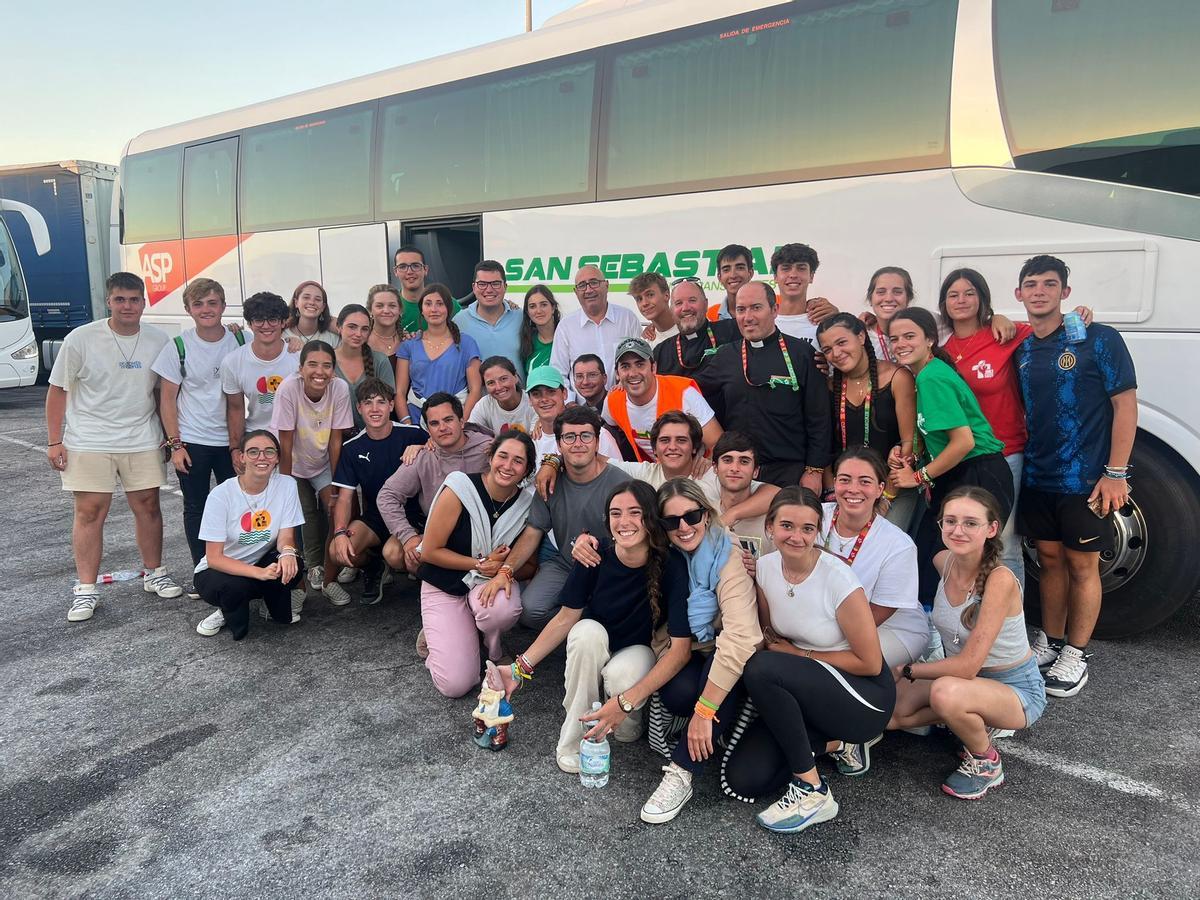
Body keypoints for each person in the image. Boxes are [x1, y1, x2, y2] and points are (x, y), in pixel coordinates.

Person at [720, 488, 894, 833]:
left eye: (807, 529)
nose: (796, 537)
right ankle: (839, 745)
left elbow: (871, 664)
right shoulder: (765, 569)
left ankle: (813, 791)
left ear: (819, 531)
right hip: (806, 693)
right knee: (744, 779)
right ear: (770, 527)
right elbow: (770, 634)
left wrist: (800, 655)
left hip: (862, 697)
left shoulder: (838, 578)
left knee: (763, 668)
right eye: (787, 526)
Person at [494, 480, 692, 773]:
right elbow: (564, 618)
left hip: (639, 650)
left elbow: (681, 650)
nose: (624, 522)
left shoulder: (671, 564)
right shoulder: (593, 554)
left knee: (620, 675)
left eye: (635, 512)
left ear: (650, 517)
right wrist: (518, 669)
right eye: (615, 513)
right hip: (594, 642)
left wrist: (625, 703)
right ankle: (573, 739)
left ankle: (627, 716)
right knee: (586, 631)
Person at [1014, 255, 1136, 698]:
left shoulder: (1097, 338)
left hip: (1085, 480)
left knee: (1083, 565)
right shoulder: (1022, 347)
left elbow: (1125, 405)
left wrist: (1116, 473)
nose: (1040, 291)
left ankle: (1077, 653)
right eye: (1031, 284)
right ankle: (1050, 640)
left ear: (1066, 293)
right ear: (1019, 295)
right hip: (1038, 476)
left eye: (1050, 284)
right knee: (1049, 562)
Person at [940, 268, 1097, 607]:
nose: (962, 300)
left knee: (1004, 543)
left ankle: (1009, 632)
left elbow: (1050, 328)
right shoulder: (942, 348)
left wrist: (1078, 315)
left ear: (983, 298)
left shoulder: (1007, 335)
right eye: (954, 295)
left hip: (1005, 454)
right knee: (961, 540)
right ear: (944, 303)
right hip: (959, 458)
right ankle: (965, 619)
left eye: (970, 293)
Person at [888, 487, 1046, 799]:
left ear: (992, 529)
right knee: (893, 716)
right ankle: (970, 718)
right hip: (965, 682)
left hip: (1016, 690)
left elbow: (968, 665)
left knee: (944, 692)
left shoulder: (1000, 581)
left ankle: (986, 762)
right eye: (951, 521)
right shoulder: (942, 561)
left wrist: (907, 670)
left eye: (970, 523)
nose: (958, 530)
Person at [46, 271, 182, 622]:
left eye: (134, 299)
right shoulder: (81, 338)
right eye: (120, 299)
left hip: (142, 438)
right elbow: (57, 389)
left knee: (149, 507)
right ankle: (86, 590)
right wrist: (54, 441)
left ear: (144, 302)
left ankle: (155, 573)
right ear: (108, 301)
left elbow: (163, 394)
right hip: (90, 440)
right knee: (90, 513)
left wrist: (170, 438)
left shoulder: (159, 340)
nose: (127, 306)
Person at [641, 480, 763, 823]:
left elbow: (741, 638)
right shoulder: (667, 555)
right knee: (678, 693)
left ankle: (680, 772)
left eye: (691, 515)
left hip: (735, 653)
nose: (683, 527)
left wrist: (704, 713)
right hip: (694, 648)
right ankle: (709, 723)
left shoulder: (728, 554)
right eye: (671, 521)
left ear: (707, 515)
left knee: (711, 691)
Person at [417, 432, 536, 698]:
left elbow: (529, 568)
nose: (508, 466)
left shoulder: (527, 506)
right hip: (444, 583)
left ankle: (493, 649)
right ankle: (440, 636)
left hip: (485, 585)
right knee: (456, 685)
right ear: (490, 456)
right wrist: (479, 563)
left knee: (501, 608)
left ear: (527, 469)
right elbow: (429, 552)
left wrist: (502, 566)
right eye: (502, 456)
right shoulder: (460, 488)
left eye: (518, 461)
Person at [501, 405, 633, 630]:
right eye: (569, 437)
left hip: (609, 564)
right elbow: (533, 532)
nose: (578, 443)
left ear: (597, 443)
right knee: (531, 610)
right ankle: (582, 626)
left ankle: (594, 626)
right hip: (564, 562)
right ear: (559, 444)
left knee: (616, 613)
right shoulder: (549, 482)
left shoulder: (620, 483)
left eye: (586, 436)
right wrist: (506, 571)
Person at [696, 281, 831, 489]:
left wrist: (814, 470)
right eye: (741, 310)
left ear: (774, 309)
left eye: (756, 308)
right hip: (738, 472)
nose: (748, 317)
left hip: (789, 472)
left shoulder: (803, 353)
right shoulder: (724, 355)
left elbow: (819, 418)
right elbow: (693, 398)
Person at [886, 307, 1014, 524]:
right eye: (894, 339)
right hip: (962, 473)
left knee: (959, 556)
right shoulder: (928, 373)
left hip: (975, 474)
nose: (900, 344)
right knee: (939, 554)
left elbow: (963, 442)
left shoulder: (930, 378)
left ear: (930, 339)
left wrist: (917, 477)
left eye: (909, 336)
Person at [152, 277, 243, 569]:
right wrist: (175, 445)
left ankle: (235, 564)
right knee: (196, 508)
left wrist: (292, 342)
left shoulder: (241, 339)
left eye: (212, 303)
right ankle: (202, 569)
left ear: (223, 306)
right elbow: (167, 400)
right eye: (198, 304)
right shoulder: (178, 346)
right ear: (188, 309)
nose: (206, 309)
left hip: (232, 442)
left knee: (238, 505)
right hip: (193, 441)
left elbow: (275, 346)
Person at [192, 429, 306, 640]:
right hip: (218, 571)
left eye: (269, 452)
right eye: (253, 452)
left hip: (259, 562)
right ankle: (225, 611)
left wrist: (288, 553)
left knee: (293, 563)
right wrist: (259, 573)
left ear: (277, 457)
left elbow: (286, 537)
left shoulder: (287, 485)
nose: (262, 457)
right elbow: (215, 558)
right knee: (234, 587)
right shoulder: (221, 495)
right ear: (242, 457)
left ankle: (268, 604)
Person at [820, 448, 926, 668]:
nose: (853, 489)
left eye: (865, 482)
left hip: (887, 628)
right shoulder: (814, 517)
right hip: (825, 618)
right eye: (845, 479)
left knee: (829, 666)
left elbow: (876, 615)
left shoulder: (898, 545)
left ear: (880, 489)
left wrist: (812, 642)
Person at [330, 378, 429, 604]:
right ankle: (372, 566)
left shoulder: (412, 435)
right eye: (368, 403)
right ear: (359, 408)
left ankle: (429, 584)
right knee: (339, 551)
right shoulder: (351, 448)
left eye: (381, 402)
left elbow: (442, 450)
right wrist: (339, 532)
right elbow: (345, 498)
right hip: (375, 518)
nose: (375, 409)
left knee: (394, 555)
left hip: (410, 517)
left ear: (391, 406)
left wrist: (423, 446)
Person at [271, 341, 354, 606]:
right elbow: (285, 442)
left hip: (323, 462)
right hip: (293, 463)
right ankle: (300, 584)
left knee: (337, 510)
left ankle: (328, 578)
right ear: (301, 368)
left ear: (334, 369)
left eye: (327, 365)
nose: (320, 371)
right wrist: (285, 485)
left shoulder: (339, 388)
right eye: (313, 364)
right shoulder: (287, 389)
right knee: (298, 514)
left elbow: (335, 440)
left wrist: (337, 485)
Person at [816, 313, 917, 529]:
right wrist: (832, 492)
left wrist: (887, 496)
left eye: (842, 342)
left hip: (893, 488)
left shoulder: (898, 377)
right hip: (846, 492)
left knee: (883, 543)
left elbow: (911, 442)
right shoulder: (829, 386)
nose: (836, 353)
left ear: (861, 337)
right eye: (827, 349)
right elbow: (822, 445)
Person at [377, 393, 492, 579]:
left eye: (448, 420)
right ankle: (433, 584)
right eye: (435, 423)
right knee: (395, 552)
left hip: (483, 532)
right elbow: (387, 495)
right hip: (441, 534)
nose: (443, 428)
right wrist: (408, 537)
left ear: (462, 421)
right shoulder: (424, 456)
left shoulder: (488, 449)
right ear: (428, 429)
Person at [603, 337, 721, 462]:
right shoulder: (613, 400)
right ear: (617, 373)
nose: (633, 373)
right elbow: (608, 431)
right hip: (652, 472)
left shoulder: (684, 393)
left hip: (692, 471)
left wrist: (706, 464)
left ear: (653, 368)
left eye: (640, 364)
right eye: (625, 367)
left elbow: (717, 443)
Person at [220, 291, 301, 454]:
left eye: (272, 319)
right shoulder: (233, 361)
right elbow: (236, 409)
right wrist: (235, 448)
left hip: (297, 439)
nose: (266, 326)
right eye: (258, 320)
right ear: (250, 323)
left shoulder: (299, 357)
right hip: (257, 438)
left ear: (283, 322)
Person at [395, 283, 482, 425]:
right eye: (428, 304)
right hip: (417, 418)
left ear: (448, 308)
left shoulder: (466, 343)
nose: (434, 309)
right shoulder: (408, 345)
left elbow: (475, 389)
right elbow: (400, 392)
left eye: (440, 304)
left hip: (454, 419)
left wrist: (462, 422)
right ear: (421, 310)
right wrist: (408, 424)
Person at [654, 277, 740, 415]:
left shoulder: (733, 331)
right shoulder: (661, 351)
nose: (686, 308)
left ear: (706, 304)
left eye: (692, 300)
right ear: (671, 310)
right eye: (678, 303)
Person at [550, 265, 640, 387]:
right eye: (582, 285)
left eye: (594, 282)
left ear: (606, 285)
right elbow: (558, 374)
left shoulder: (628, 318)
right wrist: (570, 403)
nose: (588, 290)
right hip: (581, 405)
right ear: (576, 292)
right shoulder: (566, 327)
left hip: (623, 402)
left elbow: (640, 362)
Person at [698, 431, 779, 557]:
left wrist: (758, 569)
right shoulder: (702, 516)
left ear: (756, 471)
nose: (735, 468)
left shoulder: (774, 520)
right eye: (727, 460)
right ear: (715, 467)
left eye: (744, 461)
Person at [526, 365, 621, 458]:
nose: (544, 399)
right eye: (536, 394)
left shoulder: (597, 435)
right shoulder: (529, 445)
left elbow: (619, 472)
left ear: (564, 394)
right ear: (529, 400)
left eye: (551, 392)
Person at [454, 260, 525, 380]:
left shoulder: (521, 317)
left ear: (505, 286)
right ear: (474, 287)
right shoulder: (459, 321)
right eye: (482, 284)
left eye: (496, 283)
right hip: (476, 397)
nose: (489, 290)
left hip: (518, 396)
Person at [332, 304, 396, 433]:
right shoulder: (327, 361)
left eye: (364, 329)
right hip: (334, 437)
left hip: (374, 436)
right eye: (352, 327)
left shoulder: (380, 361)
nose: (358, 334)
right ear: (339, 327)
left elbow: (387, 403)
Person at [770, 243, 838, 346]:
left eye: (801, 268)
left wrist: (837, 318)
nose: (793, 275)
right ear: (775, 277)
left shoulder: (825, 319)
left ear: (811, 276)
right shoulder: (764, 321)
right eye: (786, 268)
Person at [393, 245, 461, 334]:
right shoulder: (390, 307)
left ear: (425, 270)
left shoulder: (448, 303)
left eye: (415, 266)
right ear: (395, 272)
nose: (409, 272)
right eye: (402, 267)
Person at [468, 356, 534, 437]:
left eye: (503, 379)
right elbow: (471, 436)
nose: (498, 387)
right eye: (491, 383)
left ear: (515, 377)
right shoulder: (483, 405)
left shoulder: (533, 402)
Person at [284, 281, 339, 348]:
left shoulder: (334, 339)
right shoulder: (282, 335)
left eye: (317, 299)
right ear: (296, 303)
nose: (312, 302)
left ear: (323, 307)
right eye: (306, 297)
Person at [708, 243, 755, 322]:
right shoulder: (710, 316)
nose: (733, 275)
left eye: (740, 268)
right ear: (719, 277)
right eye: (726, 270)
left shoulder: (768, 312)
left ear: (750, 273)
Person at [520, 284, 559, 372]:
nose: (538, 311)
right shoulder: (527, 341)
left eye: (543, 305)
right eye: (532, 306)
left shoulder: (565, 337)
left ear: (553, 308)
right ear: (528, 312)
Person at [630, 272, 677, 345]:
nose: (644, 303)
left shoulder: (689, 328)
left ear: (666, 295)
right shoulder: (645, 341)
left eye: (650, 295)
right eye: (639, 299)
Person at [367, 284, 405, 358]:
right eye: (379, 306)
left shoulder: (407, 340)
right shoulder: (361, 340)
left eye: (392, 306)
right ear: (370, 310)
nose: (386, 311)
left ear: (399, 310)